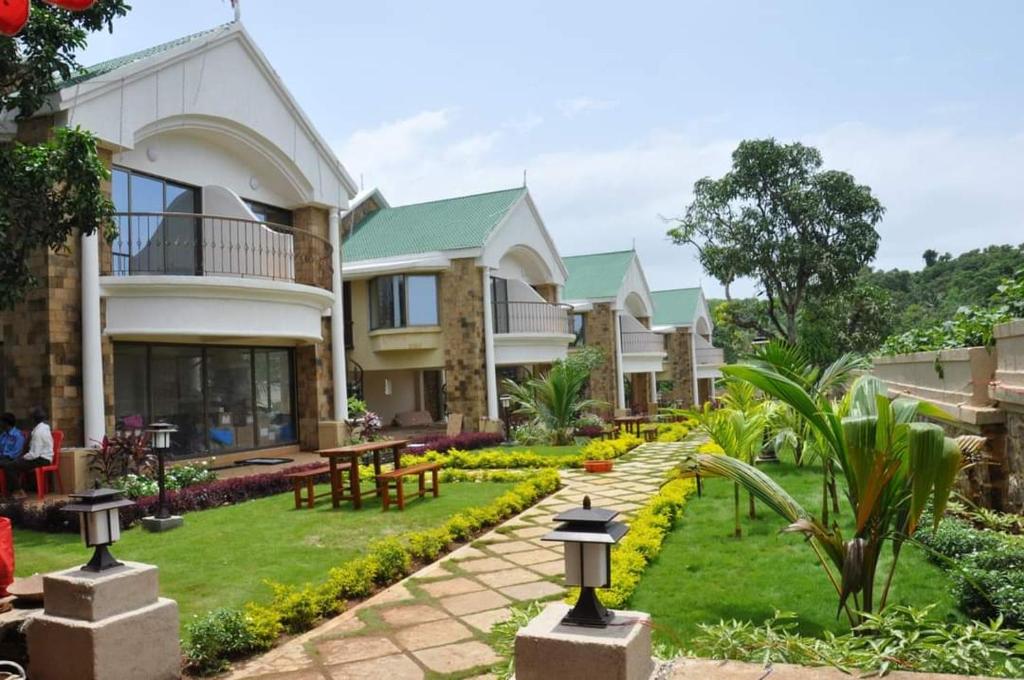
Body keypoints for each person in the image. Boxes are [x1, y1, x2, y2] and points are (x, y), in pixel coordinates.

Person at [0, 407, 52, 496]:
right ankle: (9, 492)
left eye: (30, 417)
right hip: (40, 457)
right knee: (12, 465)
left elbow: (34, 454)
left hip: (41, 459)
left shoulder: (38, 432)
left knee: (10, 466)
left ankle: (19, 491)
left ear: (33, 419)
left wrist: (22, 458)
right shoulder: (42, 428)